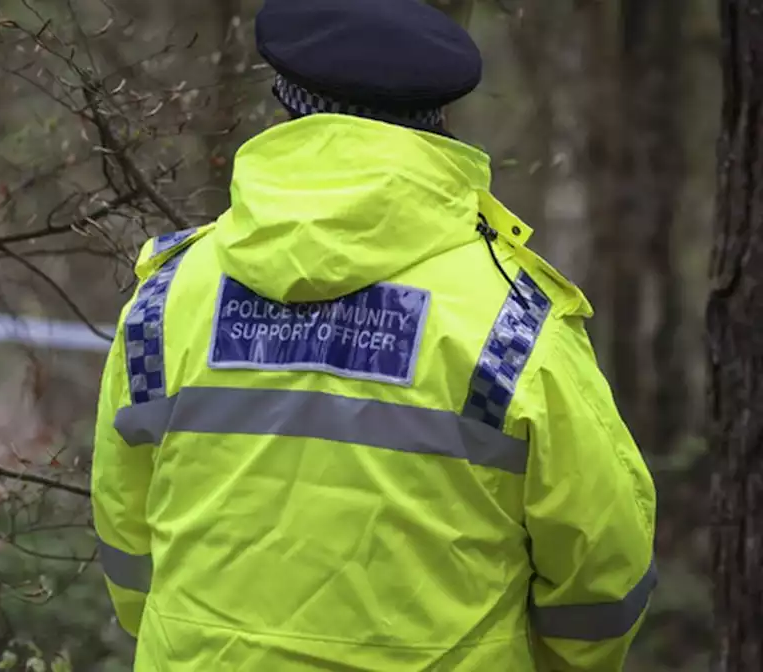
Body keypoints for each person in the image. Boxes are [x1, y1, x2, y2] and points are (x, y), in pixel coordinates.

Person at [89, 0, 658, 670]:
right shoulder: (513, 325)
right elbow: (601, 579)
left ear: (286, 104)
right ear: (437, 120)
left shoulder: (166, 298)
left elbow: (129, 548)